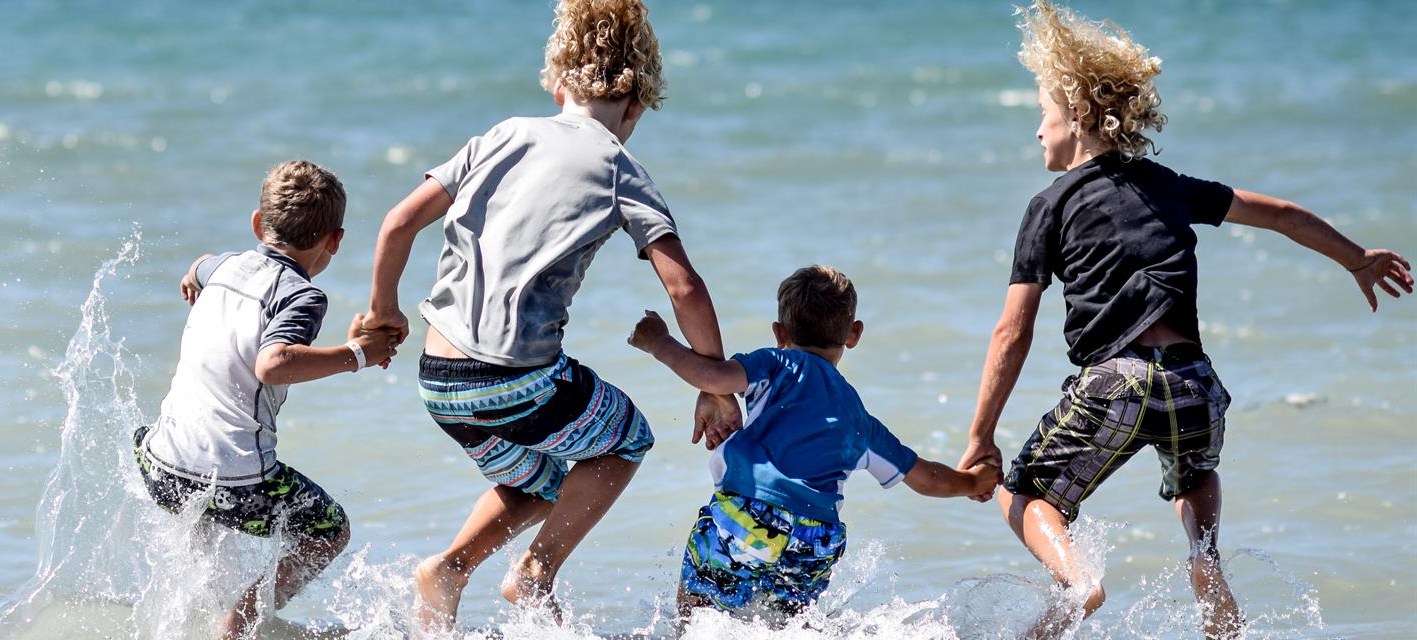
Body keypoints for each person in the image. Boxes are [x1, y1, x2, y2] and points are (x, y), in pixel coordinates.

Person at [956, 3, 1415, 637]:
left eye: (1044, 115)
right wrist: (1356, 257)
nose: (1038, 131)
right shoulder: (1169, 184)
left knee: (1024, 494)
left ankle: (1079, 581)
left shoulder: (1049, 204)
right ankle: (1206, 563)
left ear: (1080, 118)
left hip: (1115, 383)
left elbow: (1013, 330)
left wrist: (980, 437)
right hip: (1196, 385)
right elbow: (1279, 213)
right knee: (1194, 473)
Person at [360, 0, 742, 630]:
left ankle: (449, 569)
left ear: (559, 84)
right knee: (625, 439)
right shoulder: (621, 167)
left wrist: (383, 313)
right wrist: (711, 383)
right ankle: (534, 573)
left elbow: (397, 222)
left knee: (538, 484)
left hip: (438, 376)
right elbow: (685, 288)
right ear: (637, 104)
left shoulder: (502, 135)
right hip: (514, 380)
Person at [627, 265, 997, 623]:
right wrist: (974, 482)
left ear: (779, 331)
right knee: (785, 626)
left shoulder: (776, 365)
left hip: (747, 517)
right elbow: (926, 478)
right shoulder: (860, 419)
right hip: (814, 542)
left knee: (695, 617)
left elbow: (712, 376)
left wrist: (658, 342)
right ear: (854, 334)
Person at [136, 160, 401, 639]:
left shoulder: (225, 267)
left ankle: (198, 606)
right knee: (328, 531)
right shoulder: (301, 295)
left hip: (159, 466)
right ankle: (236, 624)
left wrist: (193, 274)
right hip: (236, 480)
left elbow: (200, 263)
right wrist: (358, 354)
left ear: (258, 225)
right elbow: (274, 363)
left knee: (190, 481)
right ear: (335, 240)